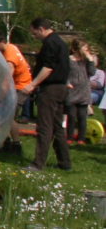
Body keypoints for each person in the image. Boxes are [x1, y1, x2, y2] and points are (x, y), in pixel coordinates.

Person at [23, 17, 71, 172]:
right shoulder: (60, 42)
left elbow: (48, 68)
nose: (34, 36)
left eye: (34, 33)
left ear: (41, 29)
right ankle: (65, 162)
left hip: (50, 89)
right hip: (61, 88)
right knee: (57, 127)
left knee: (44, 127)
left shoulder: (50, 43)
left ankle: (38, 164)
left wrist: (33, 84)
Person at [66, 39, 96, 145]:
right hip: (72, 90)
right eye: (84, 48)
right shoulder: (68, 60)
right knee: (71, 115)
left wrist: (90, 60)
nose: (86, 50)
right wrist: (67, 82)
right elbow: (64, 72)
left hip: (84, 91)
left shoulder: (87, 61)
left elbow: (92, 73)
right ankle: (69, 137)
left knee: (82, 116)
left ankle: (81, 138)